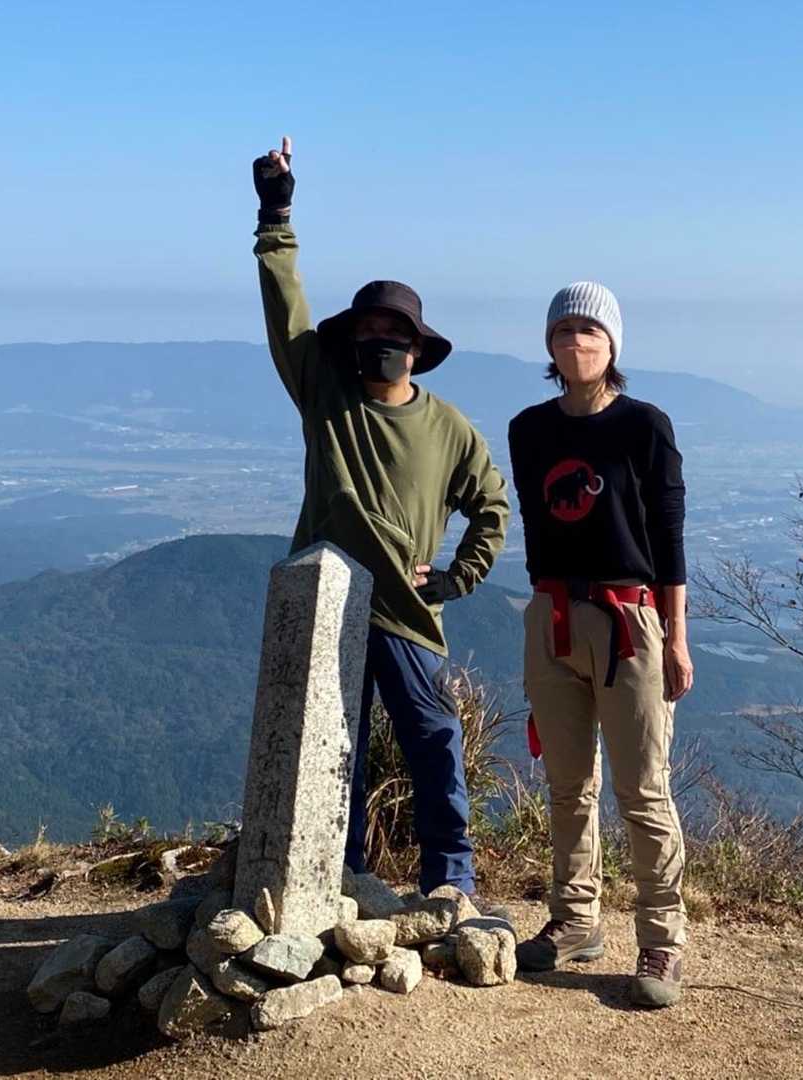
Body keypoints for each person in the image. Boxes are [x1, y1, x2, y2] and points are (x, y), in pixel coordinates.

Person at [251, 136, 510, 903]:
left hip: (406, 610)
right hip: (327, 602)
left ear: (416, 348)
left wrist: (457, 578)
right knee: (335, 745)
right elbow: (285, 312)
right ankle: (341, 873)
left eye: (392, 335)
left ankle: (449, 880)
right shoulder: (323, 393)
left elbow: (491, 505)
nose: (378, 345)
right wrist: (276, 214)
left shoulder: (449, 428)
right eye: (366, 334)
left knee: (434, 738)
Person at [507, 282, 694, 1008]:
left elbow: (669, 541)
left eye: (590, 330)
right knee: (566, 785)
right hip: (552, 614)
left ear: (612, 344)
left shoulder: (644, 426)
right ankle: (575, 920)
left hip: (631, 620)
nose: (575, 342)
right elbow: (536, 525)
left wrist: (676, 639)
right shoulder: (529, 430)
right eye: (563, 331)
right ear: (549, 347)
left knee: (642, 790)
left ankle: (662, 938)